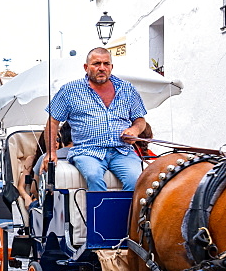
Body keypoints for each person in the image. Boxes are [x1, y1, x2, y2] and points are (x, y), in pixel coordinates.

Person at [42, 47, 148, 190]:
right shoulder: (70, 90)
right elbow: (52, 122)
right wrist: (51, 153)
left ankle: (126, 213)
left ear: (111, 67)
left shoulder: (127, 89)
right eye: (96, 64)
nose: (102, 68)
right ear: (86, 67)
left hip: (122, 151)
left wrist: (134, 130)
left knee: (137, 180)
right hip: (87, 151)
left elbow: (140, 120)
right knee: (93, 176)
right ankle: (99, 212)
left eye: (106, 64)